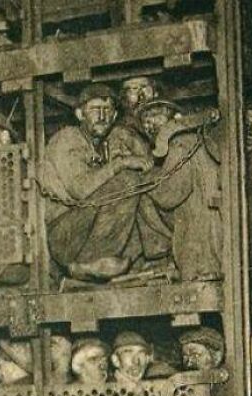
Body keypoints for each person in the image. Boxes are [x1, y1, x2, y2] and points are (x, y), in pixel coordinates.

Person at [42, 84, 164, 282]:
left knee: (138, 184)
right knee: (126, 181)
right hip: (63, 235)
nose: (102, 116)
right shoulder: (68, 138)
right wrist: (119, 163)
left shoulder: (98, 145)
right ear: (80, 114)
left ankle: (152, 257)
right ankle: (91, 260)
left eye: (107, 110)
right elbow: (80, 189)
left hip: (82, 229)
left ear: (115, 116)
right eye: (94, 109)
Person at [139, 100, 223, 281]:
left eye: (156, 116)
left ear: (175, 119)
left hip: (200, 248)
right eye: (145, 120)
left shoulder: (180, 144)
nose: (149, 124)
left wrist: (146, 178)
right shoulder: (195, 141)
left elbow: (170, 194)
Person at [111, 331, 175, 385]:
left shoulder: (150, 387)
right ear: (116, 360)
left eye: (141, 352)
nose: (136, 361)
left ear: (147, 359)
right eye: (128, 352)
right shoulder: (107, 390)